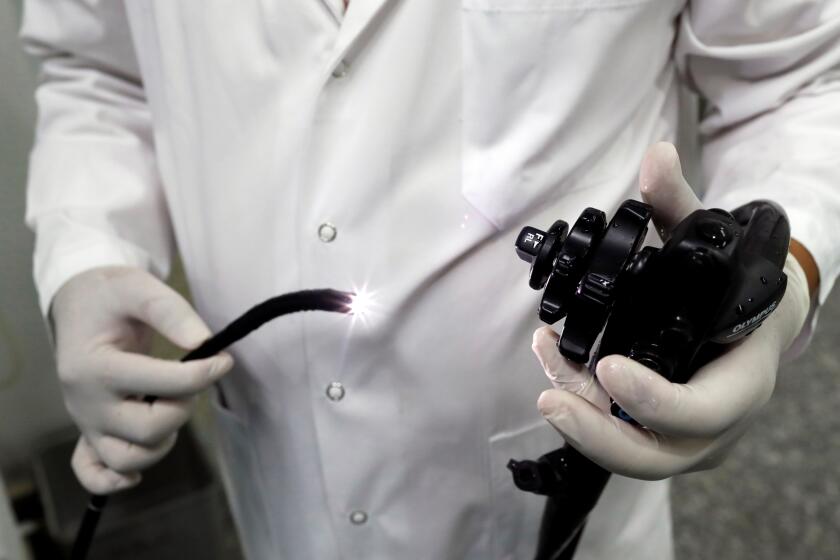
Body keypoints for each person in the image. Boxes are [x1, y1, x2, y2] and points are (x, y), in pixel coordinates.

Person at [19, 1, 839, 559]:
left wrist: (783, 277)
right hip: (279, 469)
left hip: (562, 452)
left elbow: (798, 79)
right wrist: (91, 251)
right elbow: (100, 71)